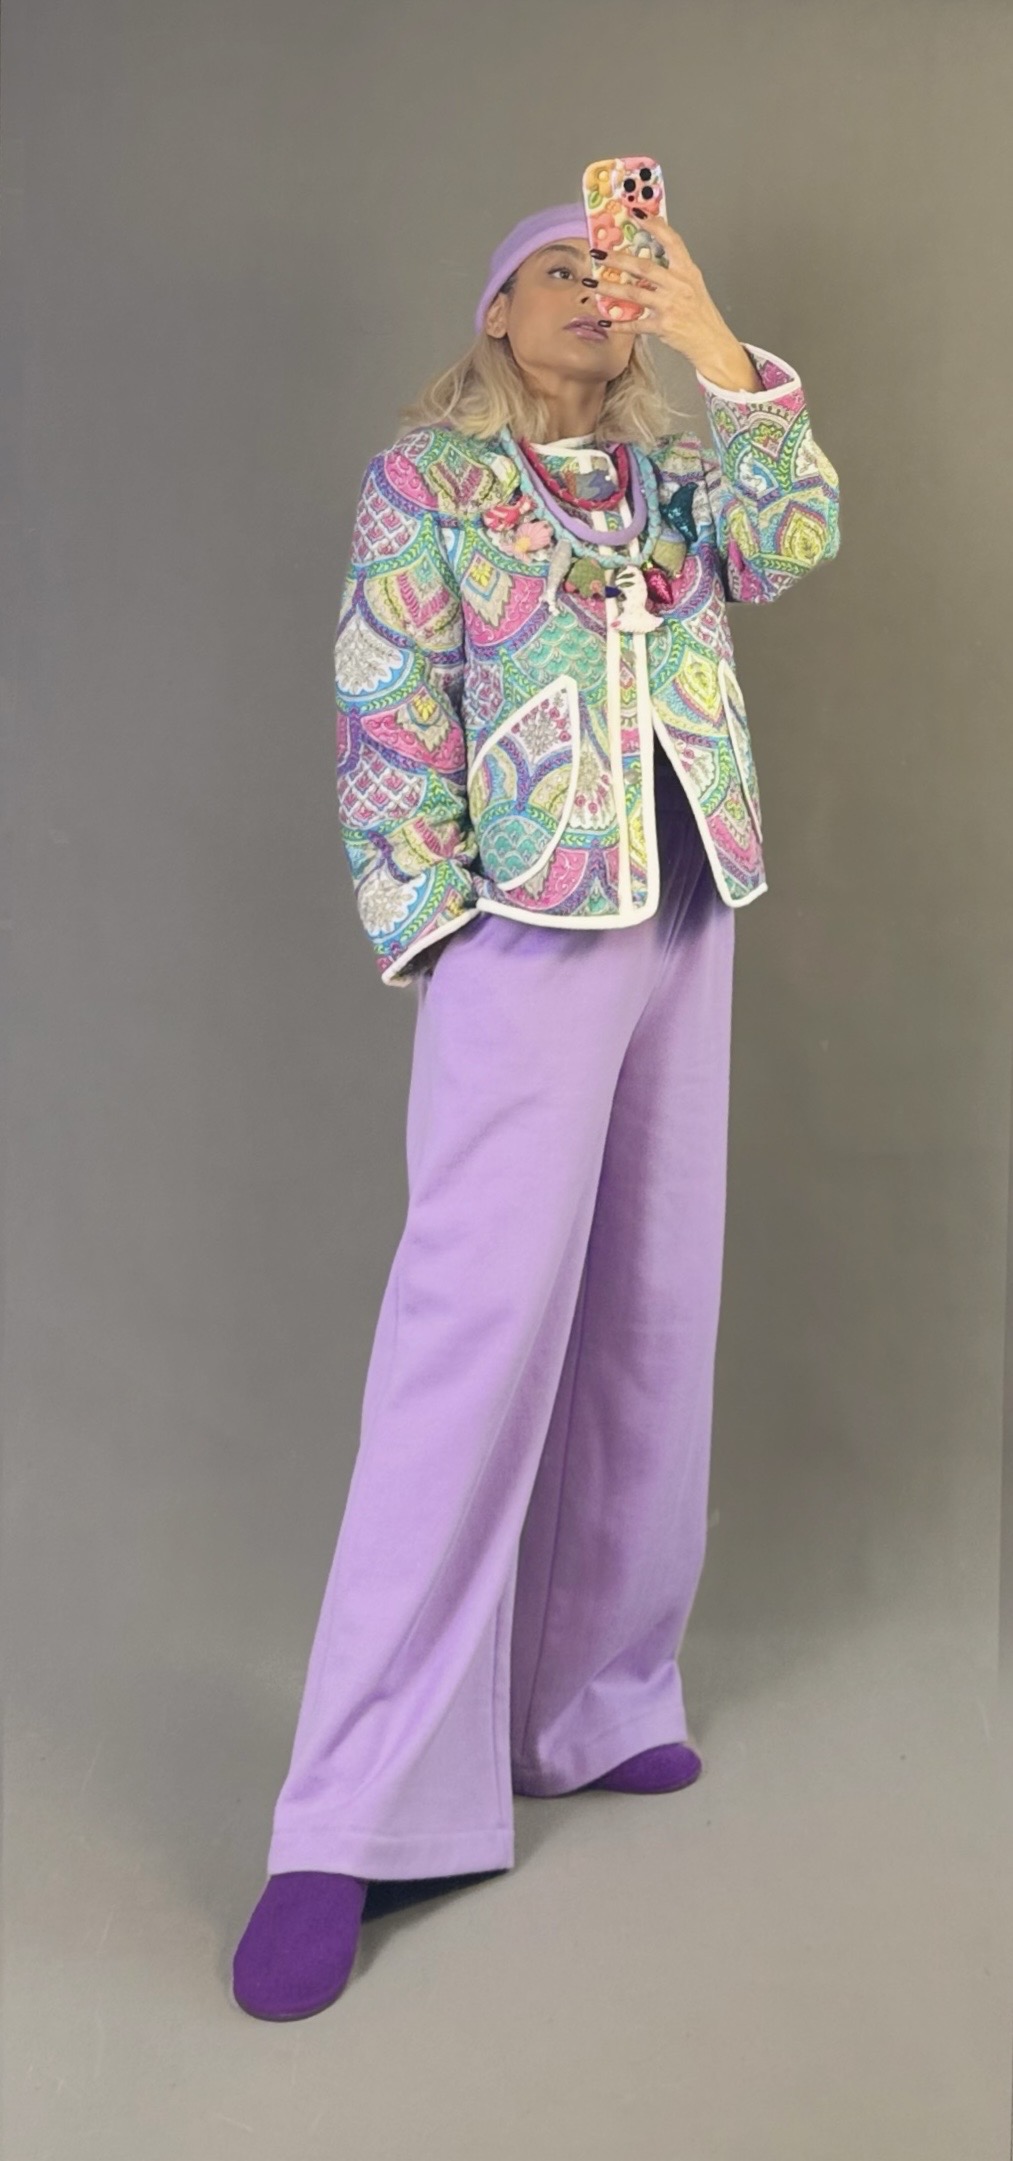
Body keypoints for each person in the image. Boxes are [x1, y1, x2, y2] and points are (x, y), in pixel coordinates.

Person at [231, 198, 840, 2021]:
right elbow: (382, 705)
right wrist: (441, 924)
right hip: (529, 931)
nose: (596, 288)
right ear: (494, 311)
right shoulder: (425, 483)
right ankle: (347, 1815)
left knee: (653, 1312)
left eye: (617, 267)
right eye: (558, 268)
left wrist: (717, 341)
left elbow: (794, 537)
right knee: (471, 1339)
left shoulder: (673, 480)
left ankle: (593, 1698)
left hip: (684, 912)